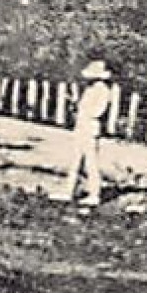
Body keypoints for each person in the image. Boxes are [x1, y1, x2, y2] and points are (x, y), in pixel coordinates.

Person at [53, 59, 114, 208]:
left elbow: (99, 110)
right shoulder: (90, 88)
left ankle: (94, 194)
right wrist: (76, 105)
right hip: (82, 126)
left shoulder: (103, 90)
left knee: (90, 162)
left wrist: (85, 112)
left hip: (91, 128)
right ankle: (69, 191)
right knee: (76, 160)